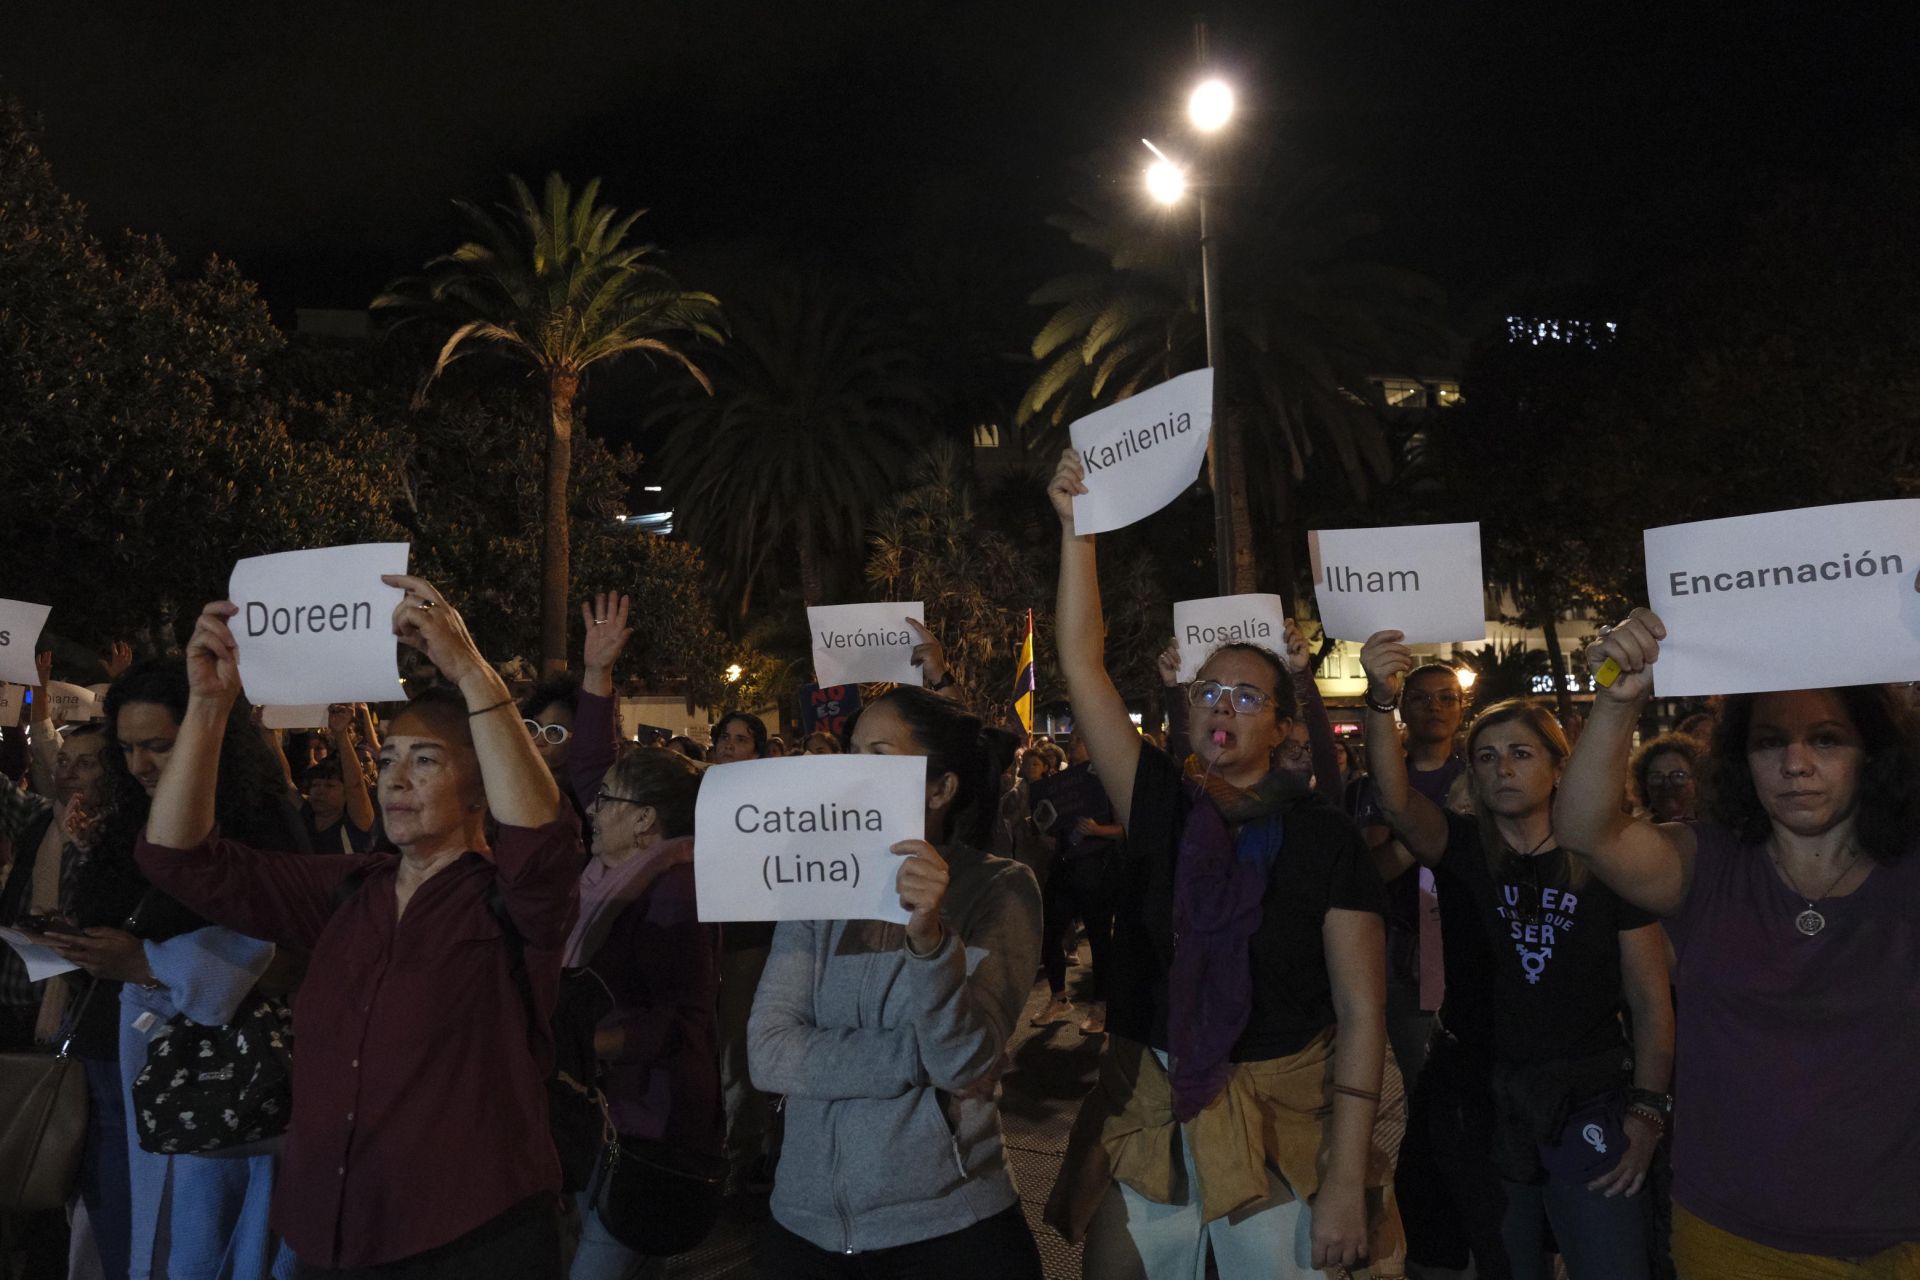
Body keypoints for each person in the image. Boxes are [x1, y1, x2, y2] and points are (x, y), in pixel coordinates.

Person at [134, 578, 581, 1278]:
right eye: (388, 759)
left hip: (468, 1242)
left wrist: (468, 670)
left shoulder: (513, 903)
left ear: (479, 783)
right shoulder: (348, 888)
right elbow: (177, 857)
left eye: (425, 760)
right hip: (330, 1237)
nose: (395, 779)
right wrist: (210, 706)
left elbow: (542, 837)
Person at [1043, 448, 1400, 1279]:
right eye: (1208, 691)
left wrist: (1345, 1177)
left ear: (1283, 727)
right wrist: (1077, 534)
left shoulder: (1324, 840)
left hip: (1282, 1118)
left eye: (1246, 695)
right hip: (1156, 1105)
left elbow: (1361, 1014)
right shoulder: (1161, 805)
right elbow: (1082, 666)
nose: (1221, 705)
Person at [1555, 609, 1920, 1278]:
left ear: (1872, 753)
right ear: (1741, 758)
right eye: (1768, 742)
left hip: (1902, 1238)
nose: (1796, 763)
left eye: (1828, 740)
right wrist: (1617, 700)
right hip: (1734, 1237)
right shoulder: (1707, 864)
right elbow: (1584, 829)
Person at [1360, 630, 1672, 1280]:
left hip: (1587, 1099)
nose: (1503, 767)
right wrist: (1380, 701)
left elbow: (1648, 998)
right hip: (1483, 1103)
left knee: (1613, 1264)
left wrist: (1647, 1110)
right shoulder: (1462, 848)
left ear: (1559, 766)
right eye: (1487, 756)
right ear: (1470, 772)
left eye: (1521, 753)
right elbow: (1393, 800)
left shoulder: (1608, 858)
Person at [748, 686, 1044, 1278]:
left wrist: (931, 942)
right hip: (802, 1228)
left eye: (878, 755)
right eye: (851, 753)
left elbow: (962, 1061)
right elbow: (768, 1052)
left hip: (948, 1231)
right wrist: (920, 1060)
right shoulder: (816, 882)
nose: (856, 772)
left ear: (940, 788)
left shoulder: (999, 889)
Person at [43, 657, 310, 1280]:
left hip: (226, 1083)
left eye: (159, 746)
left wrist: (146, 962)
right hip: (117, 1063)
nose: (139, 766)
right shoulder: (132, 819)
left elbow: (293, 959)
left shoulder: (262, 822)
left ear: (207, 734)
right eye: (128, 748)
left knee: (203, 1242)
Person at [567, 747, 720, 1280]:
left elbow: (683, 1017)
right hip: (611, 1109)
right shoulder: (609, 880)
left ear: (644, 819)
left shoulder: (674, 887)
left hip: (652, 1118)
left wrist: (579, 1045)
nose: (591, 808)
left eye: (606, 798)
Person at [1029, 733, 1120, 1036]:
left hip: (1096, 869)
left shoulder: (1109, 782)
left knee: (1098, 938)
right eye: (1071, 744)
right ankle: (1058, 999)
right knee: (1051, 933)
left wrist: (1097, 829)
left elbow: (1125, 828)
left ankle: (1102, 1005)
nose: (1073, 747)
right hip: (1065, 867)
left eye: (1079, 742)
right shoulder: (1060, 785)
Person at [299, 705, 378, 853]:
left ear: (346, 794)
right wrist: (267, 734)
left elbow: (356, 786)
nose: (320, 791)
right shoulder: (306, 816)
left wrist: (341, 734)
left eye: (330, 786)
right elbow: (284, 781)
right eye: (315, 785)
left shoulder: (356, 825)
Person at [1628, 733, 1700, 824]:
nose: (1667, 785)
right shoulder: (1639, 832)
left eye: (1678, 776)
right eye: (1657, 777)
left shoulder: (1716, 831)